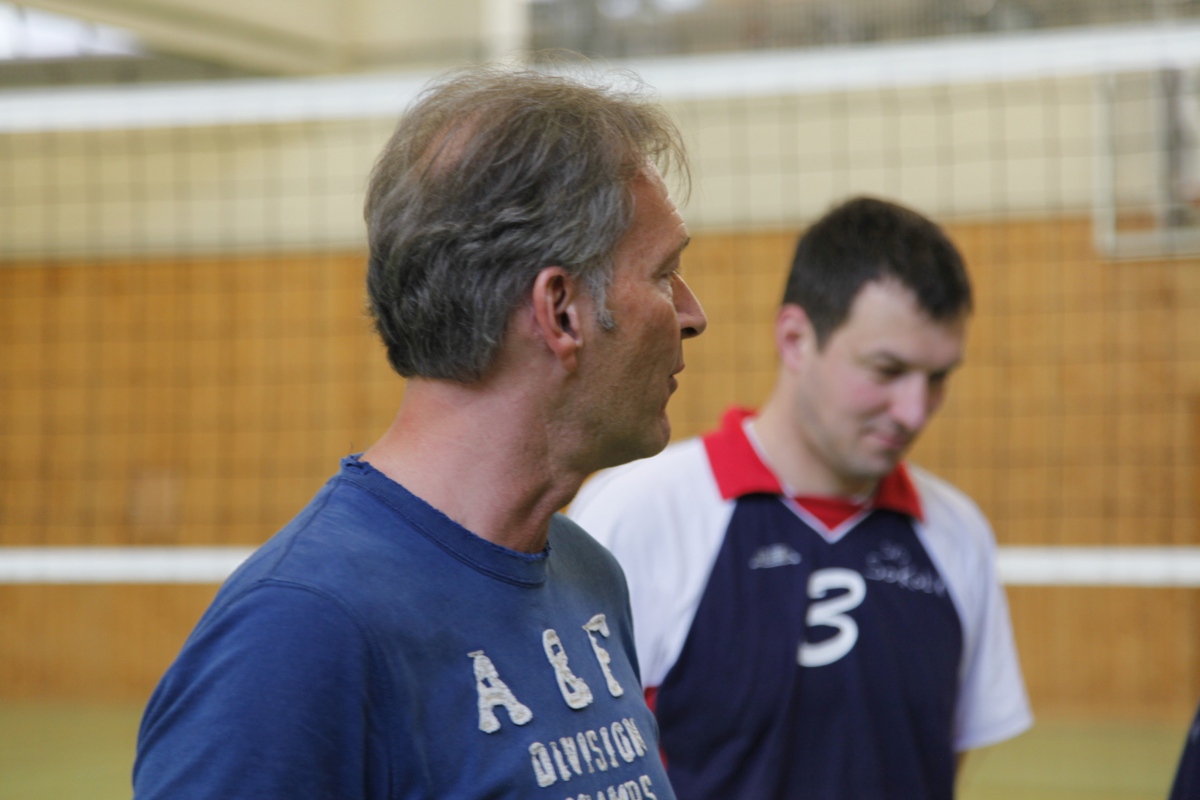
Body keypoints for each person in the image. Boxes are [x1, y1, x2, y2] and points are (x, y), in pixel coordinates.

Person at [133, 65, 706, 799]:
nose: (692, 314)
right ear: (561, 310)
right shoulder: (298, 632)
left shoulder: (586, 573)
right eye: (663, 274)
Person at [570, 196, 1032, 799]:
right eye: (887, 370)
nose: (914, 411)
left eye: (937, 377)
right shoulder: (640, 511)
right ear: (795, 338)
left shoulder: (956, 533)